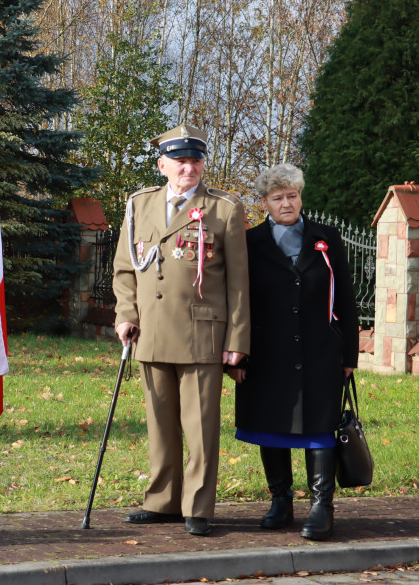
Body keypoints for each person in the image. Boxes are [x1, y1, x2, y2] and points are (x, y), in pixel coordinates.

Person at [113, 124, 250, 537]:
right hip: (150, 332)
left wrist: (237, 341)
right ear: (162, 165)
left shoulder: (224, 209)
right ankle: (162, 502)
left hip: (202, 335)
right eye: (179, 161)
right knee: (160, 424)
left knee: (201, 427)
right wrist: (125, 313)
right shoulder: (139, 205)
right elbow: (123, 269)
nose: (188, 168)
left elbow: (239, 283)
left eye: (195, 161)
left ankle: (197, 507)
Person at [229, 163, 358, 541]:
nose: (287, 203)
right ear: (265, 202)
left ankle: (322, 506)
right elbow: (238, 300)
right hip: (267, 352)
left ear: (301, 196)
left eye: (292, 195)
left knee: (321, 427)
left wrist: (349, 354)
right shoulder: (250, 243)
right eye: (277, 197)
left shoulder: (327, 237)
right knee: (272, 424)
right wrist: (238, 355)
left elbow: (346, 299)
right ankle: (280, 500)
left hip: (321, 350)